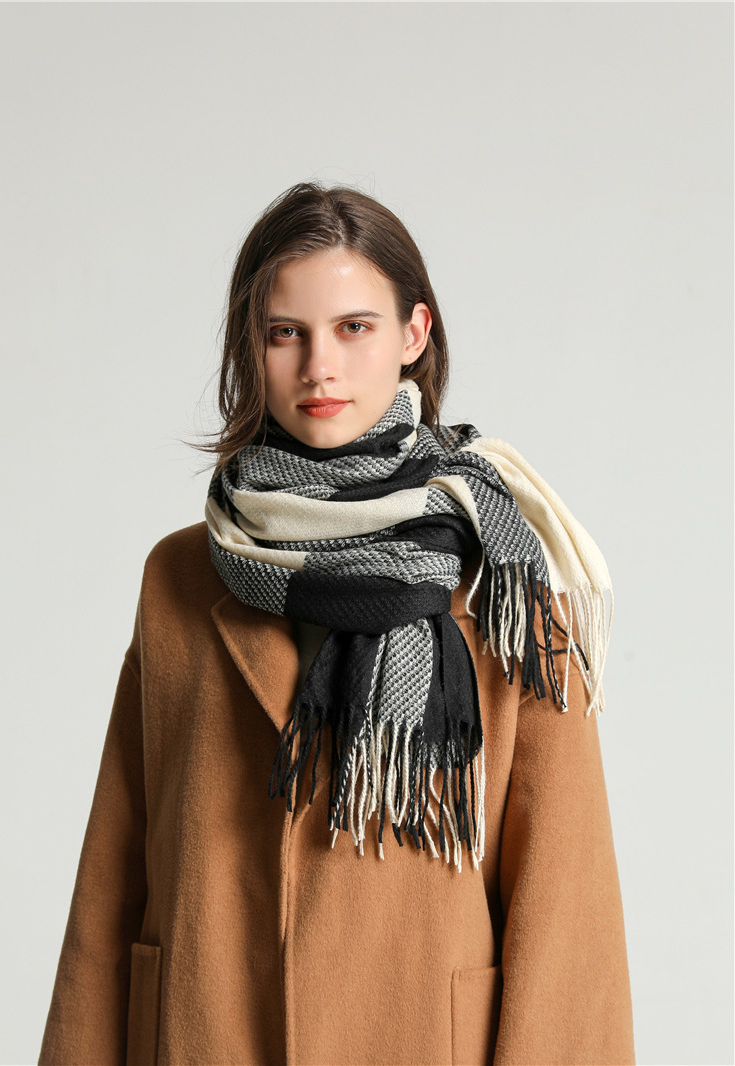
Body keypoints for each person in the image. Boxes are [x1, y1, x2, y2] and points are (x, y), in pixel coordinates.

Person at [38, 183, 635, 1066]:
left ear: (413, 335)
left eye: (355, 327)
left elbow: (567, 910)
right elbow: (113, 872)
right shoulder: (180, 578)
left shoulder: (505, 577)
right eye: (286, 332)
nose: (320, 366)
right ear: (253, 348)